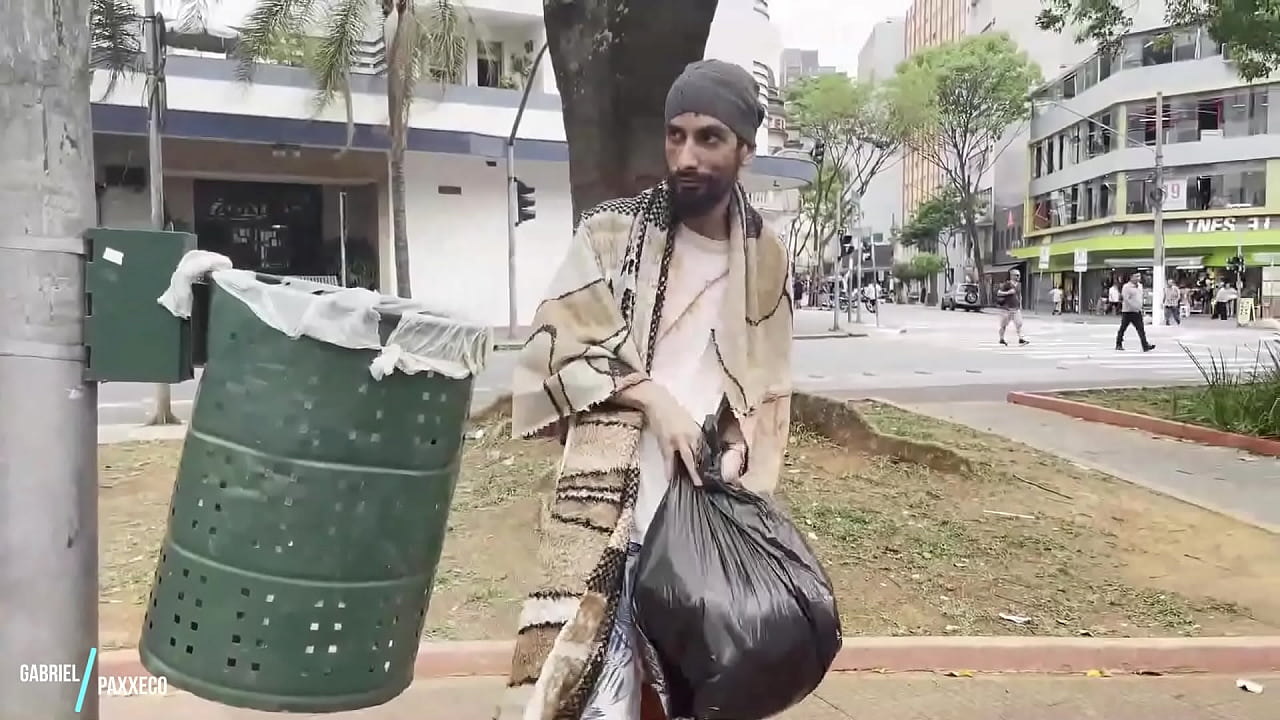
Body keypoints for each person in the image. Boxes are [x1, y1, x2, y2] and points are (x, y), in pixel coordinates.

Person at [501, 59, 793, 720]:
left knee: (693, 699)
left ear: (746, 149)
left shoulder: (767, 257)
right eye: (676, 135)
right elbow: (554, 350)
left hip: (701, 522)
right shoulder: (609, 234)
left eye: (710, 138)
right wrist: (654, 400)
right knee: (594, 701)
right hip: (611, 508)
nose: (686, 156)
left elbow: (770, 390)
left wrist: (741, 454)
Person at [1116, 274, 1155, 351]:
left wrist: (1140, 306)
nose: (1138, 278)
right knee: (1123, 328)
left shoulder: (1140, 286)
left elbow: (1140, 297)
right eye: (1136, 276)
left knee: (1141, 329)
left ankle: (1145, 345)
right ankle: (1118, 344)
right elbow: (1126, 299)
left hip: (1137, 311)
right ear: (1131, 277)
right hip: (1128, 311)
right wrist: (1134, 306)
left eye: (1139, 276)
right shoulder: (1126, 287)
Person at [995, 269, 1029, 346]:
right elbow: (999, 293)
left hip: (1016, 308)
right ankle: (1001, 339)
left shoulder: (1019, 285)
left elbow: (1019, 294)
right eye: (1016, 275)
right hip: (1006, 309)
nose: (1018, 277)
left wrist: (1020, 304)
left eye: (1019, 275)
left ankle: (1021, 339)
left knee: (1019, 324)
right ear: (1012, 275)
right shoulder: (1007, 284)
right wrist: (1008, 292)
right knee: (1003, 325)